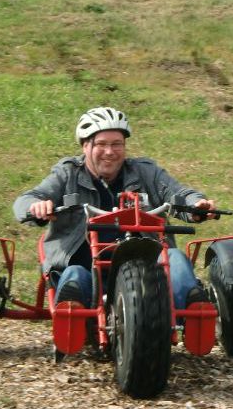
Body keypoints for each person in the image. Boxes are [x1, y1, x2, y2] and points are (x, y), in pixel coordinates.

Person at [13, 106, 217, 310]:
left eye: (117, 144)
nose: (109, 152)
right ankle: (71, 318)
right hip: (86, 270)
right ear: (85, 146)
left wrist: (197, 204)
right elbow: (26, 200)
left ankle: (197, 314)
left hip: (148, 274)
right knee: (74, 275)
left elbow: (179, 194)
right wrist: (36, 206)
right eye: (101, 144)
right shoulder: (67, 174)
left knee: (176, 259)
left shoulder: (146, 172)